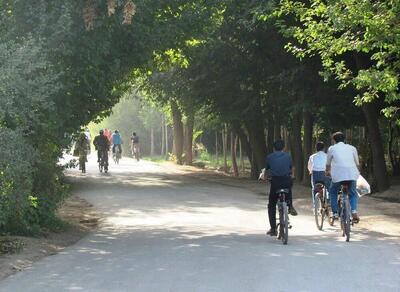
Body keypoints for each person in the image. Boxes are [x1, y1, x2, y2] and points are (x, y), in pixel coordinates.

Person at [326, 132, 360, 223]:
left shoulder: (332, 148)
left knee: (333, 192)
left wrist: (327, 171)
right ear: (344, 139)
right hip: (351, 175)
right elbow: (357, 163)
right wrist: (358, 173)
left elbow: (328, 164)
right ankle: (354, 211)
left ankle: (335, 213)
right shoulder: (352, 148)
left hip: (338, 175)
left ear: (334, 140)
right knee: (352, 193)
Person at [265, 139, 297, 236]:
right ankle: (290, 205)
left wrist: (266, 177)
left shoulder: (269, 157)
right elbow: (292, 168)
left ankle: (273, 229)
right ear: (283, 147)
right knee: (289, 186)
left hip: (275, 182)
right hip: (286, 181)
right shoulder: (288, 156)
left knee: (271, 205)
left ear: (274, 148)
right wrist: (292, 175)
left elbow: (267, 170)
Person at [307, 141, 331, 208]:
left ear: (316, 148)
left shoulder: (312, 156)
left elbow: (309, 167)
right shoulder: (327, 156)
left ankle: (315, 205)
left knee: (314, 189)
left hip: (315, 174)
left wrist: (310, 171)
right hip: (324, 174)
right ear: (324, 148)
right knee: (329, 187)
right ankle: (328, 201)